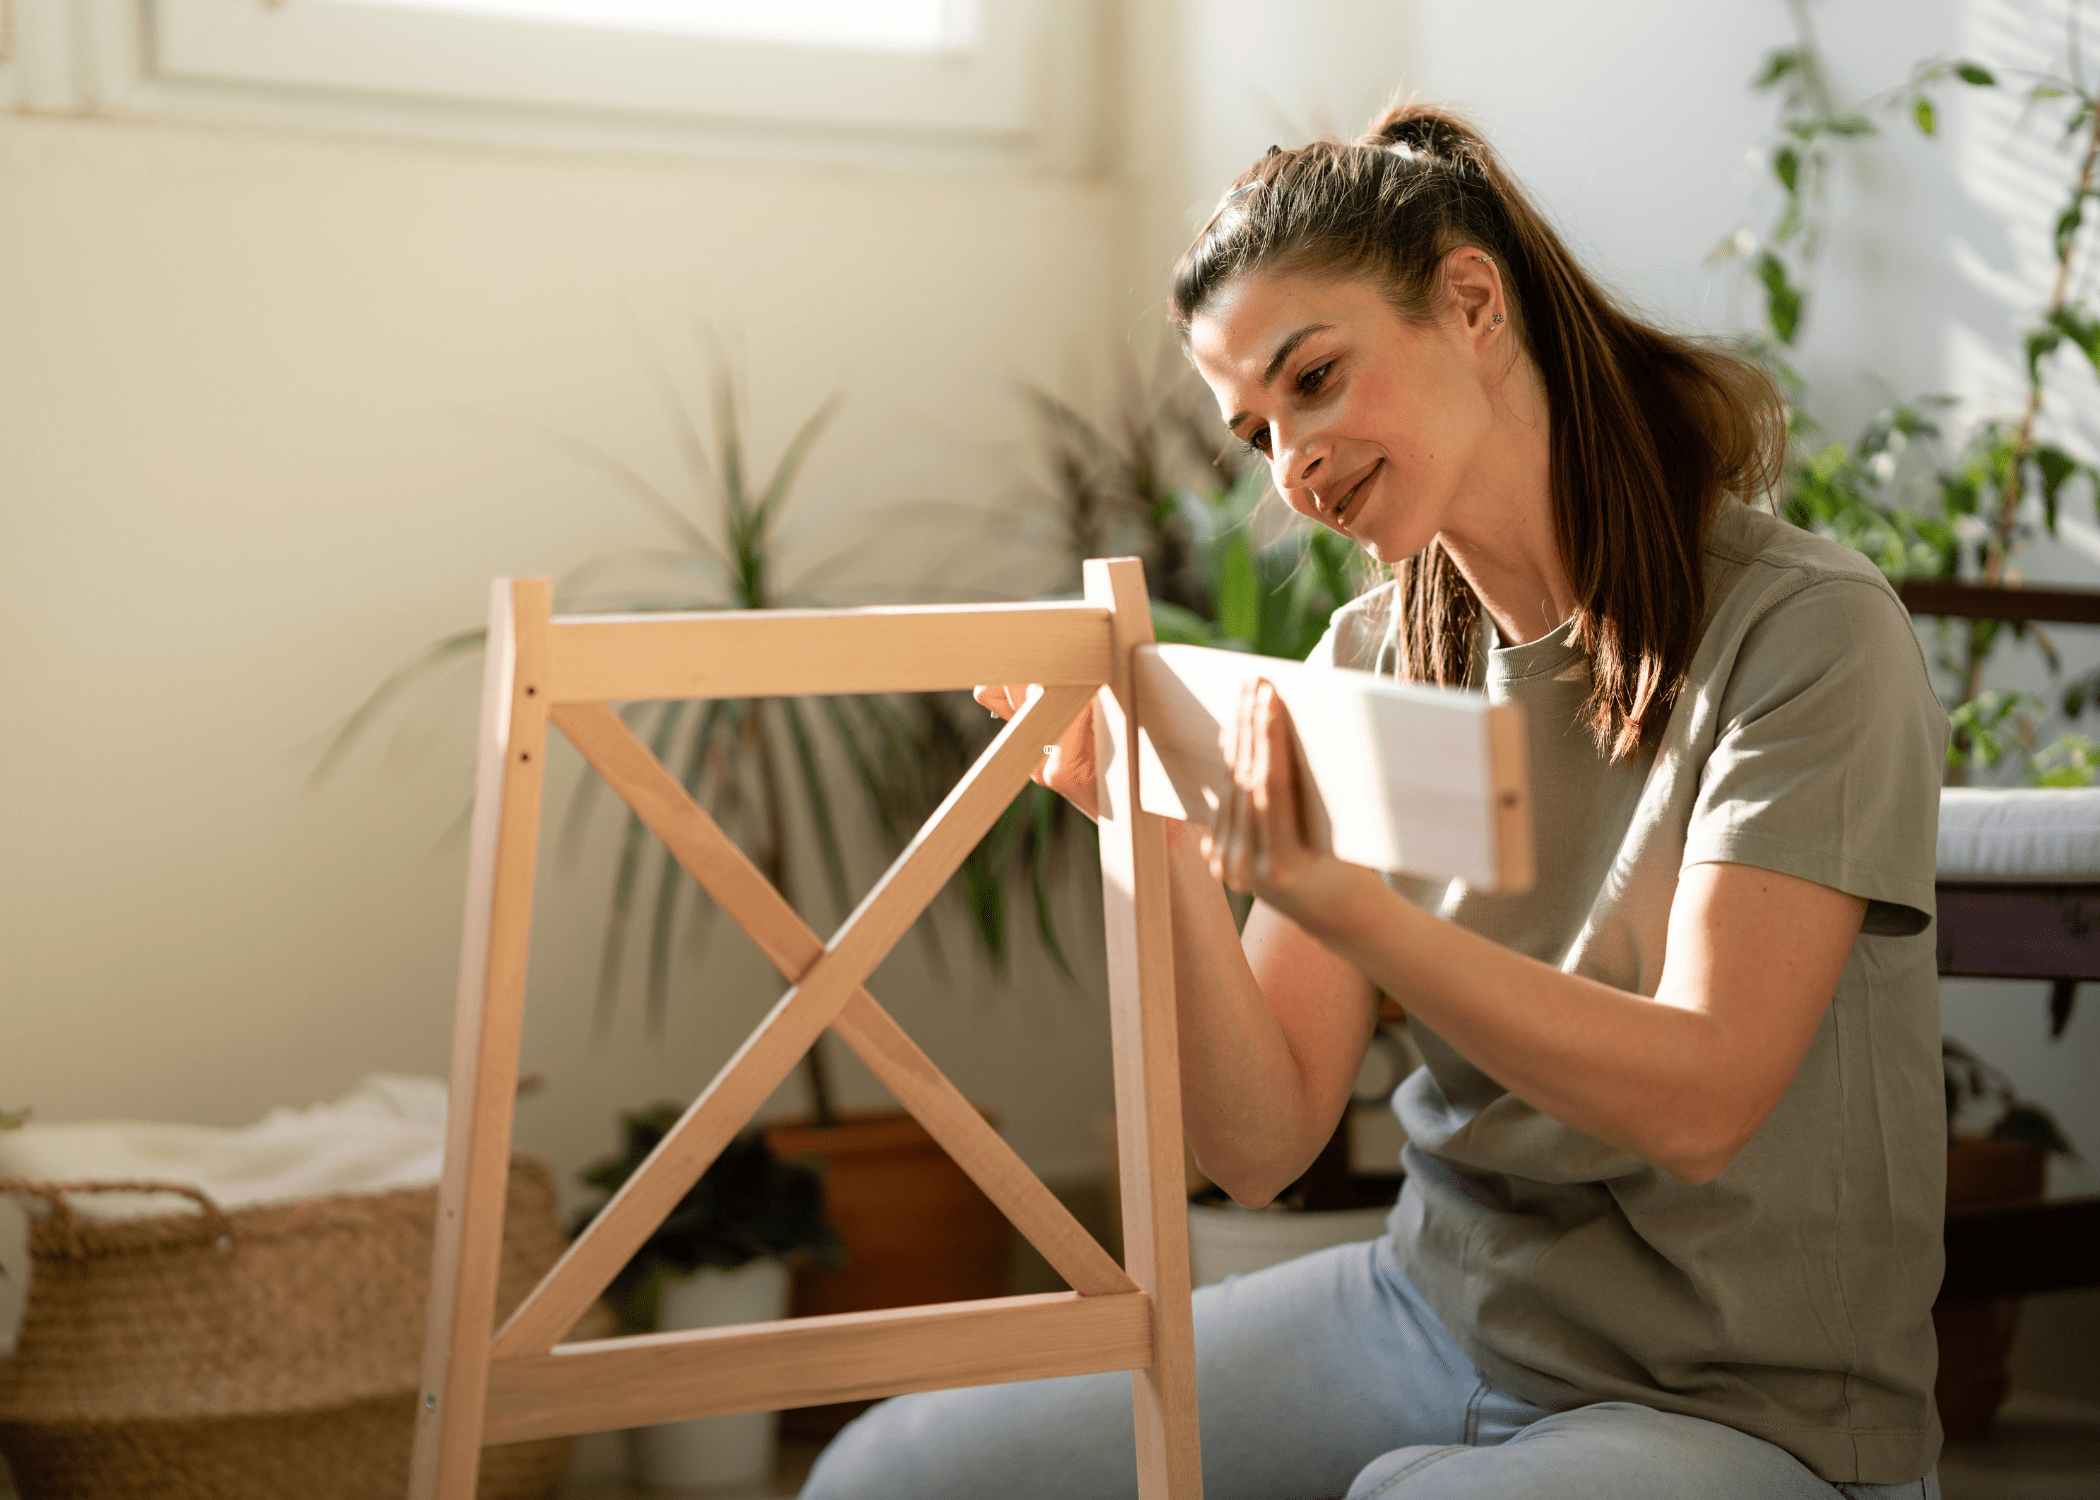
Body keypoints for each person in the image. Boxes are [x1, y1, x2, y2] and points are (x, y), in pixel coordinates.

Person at [798, 103, 1948, 1500]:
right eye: (1256, 430)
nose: (1294, 465)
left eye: (1317, 379)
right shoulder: (1372, 656)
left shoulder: (1805, 632)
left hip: (1745, 1405)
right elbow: (1266, 1139)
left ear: (1472, 301)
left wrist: (1343, 903)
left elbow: (1703, 1098)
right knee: (889, 1477)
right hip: (1434, 1315)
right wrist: (1147, 829)